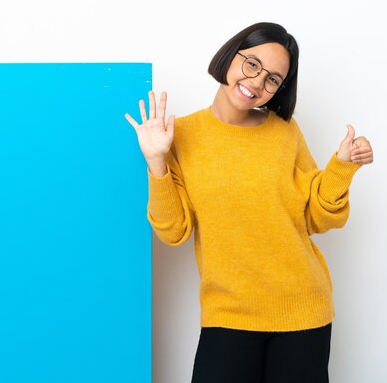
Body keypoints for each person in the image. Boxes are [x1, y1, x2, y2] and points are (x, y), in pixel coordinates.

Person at [124, 22, 374, 383]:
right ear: (230, 56)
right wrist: (157, 162)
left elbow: (317, 219)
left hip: (302, 310)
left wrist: (342, 168)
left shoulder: (285, 133)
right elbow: (174, 231)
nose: (258, 82)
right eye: (252, 64)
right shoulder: (181, 136)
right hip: (228, 314)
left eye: (273, 79)